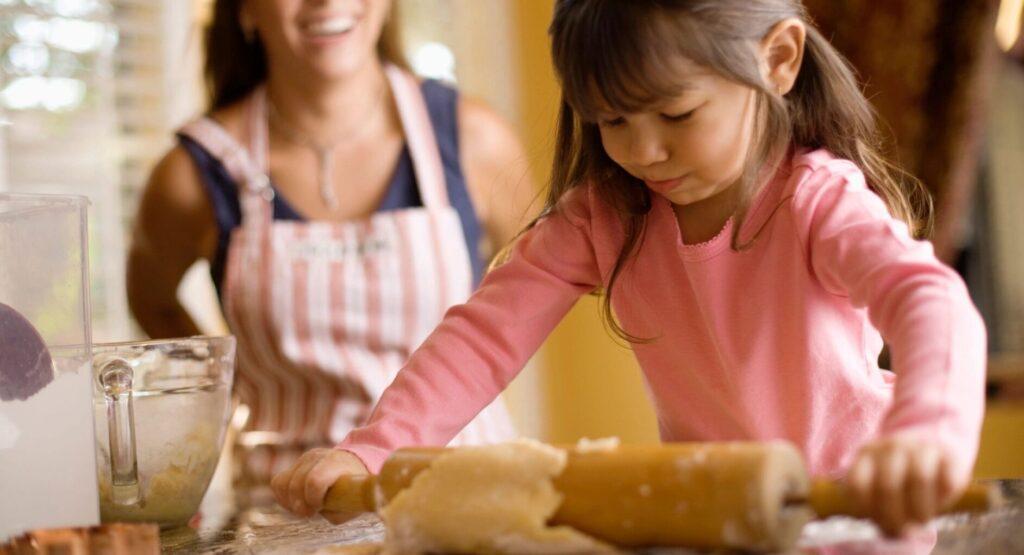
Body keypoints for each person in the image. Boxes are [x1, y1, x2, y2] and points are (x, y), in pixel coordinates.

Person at [273, 0, 986, 536]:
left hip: (862, 523)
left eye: (675, 114)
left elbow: (930, 300)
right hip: (718, 527)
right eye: (612, 121)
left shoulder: (815, 202)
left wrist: (927, 432)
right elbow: (482, 338)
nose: (643, 151)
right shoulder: (606, 215)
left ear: (778, 60)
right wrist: (373, 449)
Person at [127, 0, 532, 482]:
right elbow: (152, 300)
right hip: (285, 512)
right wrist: (231, 388)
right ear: (246, 11)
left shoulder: (476, 140)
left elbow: (531, 295)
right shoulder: (192, 174)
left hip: (470, 492)